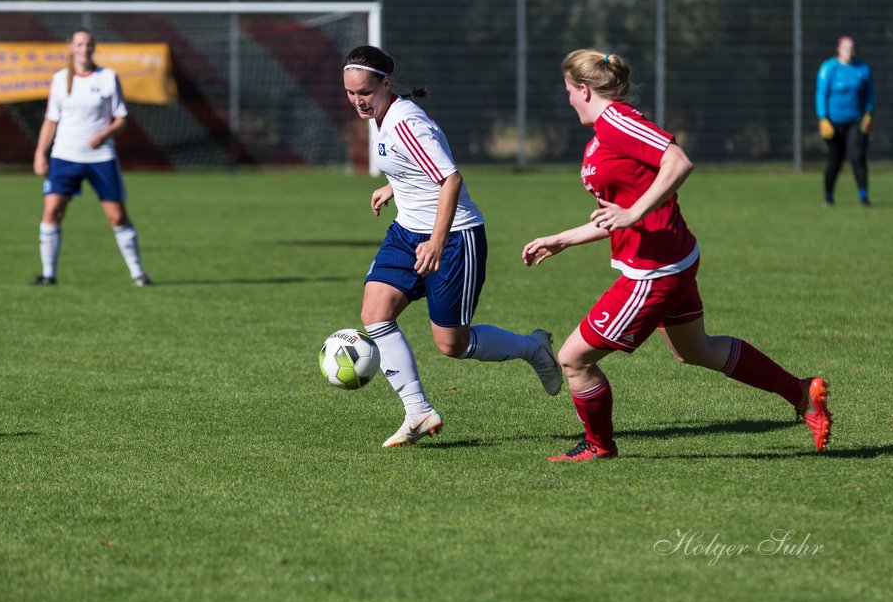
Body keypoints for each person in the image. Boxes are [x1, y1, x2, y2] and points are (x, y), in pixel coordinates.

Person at [521, 49, 832, 462]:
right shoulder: (604, 134)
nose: (568, 100)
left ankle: (598, 446)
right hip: (672, 258)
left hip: (654, 270)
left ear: (583, 89)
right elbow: (616, 215)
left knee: (573, 359)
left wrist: (634, 212)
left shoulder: (617, 121)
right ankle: (801, 392)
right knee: (695, 350)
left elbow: (678, 161)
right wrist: (563, 238)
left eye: (568, 91)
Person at [342, 45, 562, 447]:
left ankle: (534, 349)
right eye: (351, 93)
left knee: (452, 344)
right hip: (407, 232)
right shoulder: (384, 116)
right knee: (375, 311)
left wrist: (437, 242)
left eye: (364, 92)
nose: (358, 101)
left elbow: (450, 180)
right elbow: (420, 165)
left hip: (455, 237)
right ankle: (418, 411)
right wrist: (394, 186)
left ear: (385, 84)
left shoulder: (406, 121)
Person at [32, 28, 152, 286]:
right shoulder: (60, 79)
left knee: (117, 216)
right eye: (79, 44)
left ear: (93, 48)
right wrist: (41, 153)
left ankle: (138, 273)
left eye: (88, 44)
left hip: (101, 158)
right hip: (65, 155)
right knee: (52, 210)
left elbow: (122, 119)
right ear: (70, 47)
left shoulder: (108, 77)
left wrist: (104, 135)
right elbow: (51, 120)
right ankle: (48, 274)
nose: (84, 48)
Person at [815, 34, 874, 207]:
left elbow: (869, 93)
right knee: (836, 159)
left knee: (858, 157)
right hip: (833, 121)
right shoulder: (829, 68)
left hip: (856, 120)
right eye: (847, 48)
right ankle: (828, 195)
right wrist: (822, 118)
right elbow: (821, 93)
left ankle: (864, 196)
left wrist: (869, 113)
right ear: (838, 50)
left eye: (852, 48)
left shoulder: (862, 69)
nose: (850, 52)